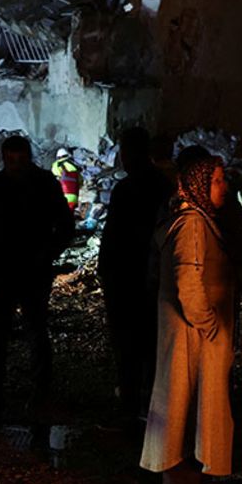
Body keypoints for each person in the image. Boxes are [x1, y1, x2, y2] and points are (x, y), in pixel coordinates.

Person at [139, 150, 236, 484]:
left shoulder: (194, 220)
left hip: (191, 337)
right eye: (216, 180)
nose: (223, 187)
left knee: (193, 411)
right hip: (191, 339)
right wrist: (209, 324)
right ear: (198, 184)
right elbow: (188, 282)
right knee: (183, 413)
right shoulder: (192, 223)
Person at [0, 136, 74, 420]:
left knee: (32, 333)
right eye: (11, 160)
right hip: (12, 268)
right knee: (5, 335)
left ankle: (30, 396)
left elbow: (65, 226)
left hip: (29, 268)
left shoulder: (34, 184)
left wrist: (46, 253)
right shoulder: (1, 185)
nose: (15, 166)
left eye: (19, 160)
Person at [97, 127, 174, 422]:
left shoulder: (128, 189)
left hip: (129, 279)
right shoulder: (162, 186)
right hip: (147, 279)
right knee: (149, 347)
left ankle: (132, 407)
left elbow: (114, 236)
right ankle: (147, 407)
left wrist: (107, 272)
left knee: (129, 347)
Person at [50, 147, 82, 214]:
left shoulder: (54, 166)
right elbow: (79, 177)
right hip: (73, 194)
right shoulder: (70, 163)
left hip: (64, 194)